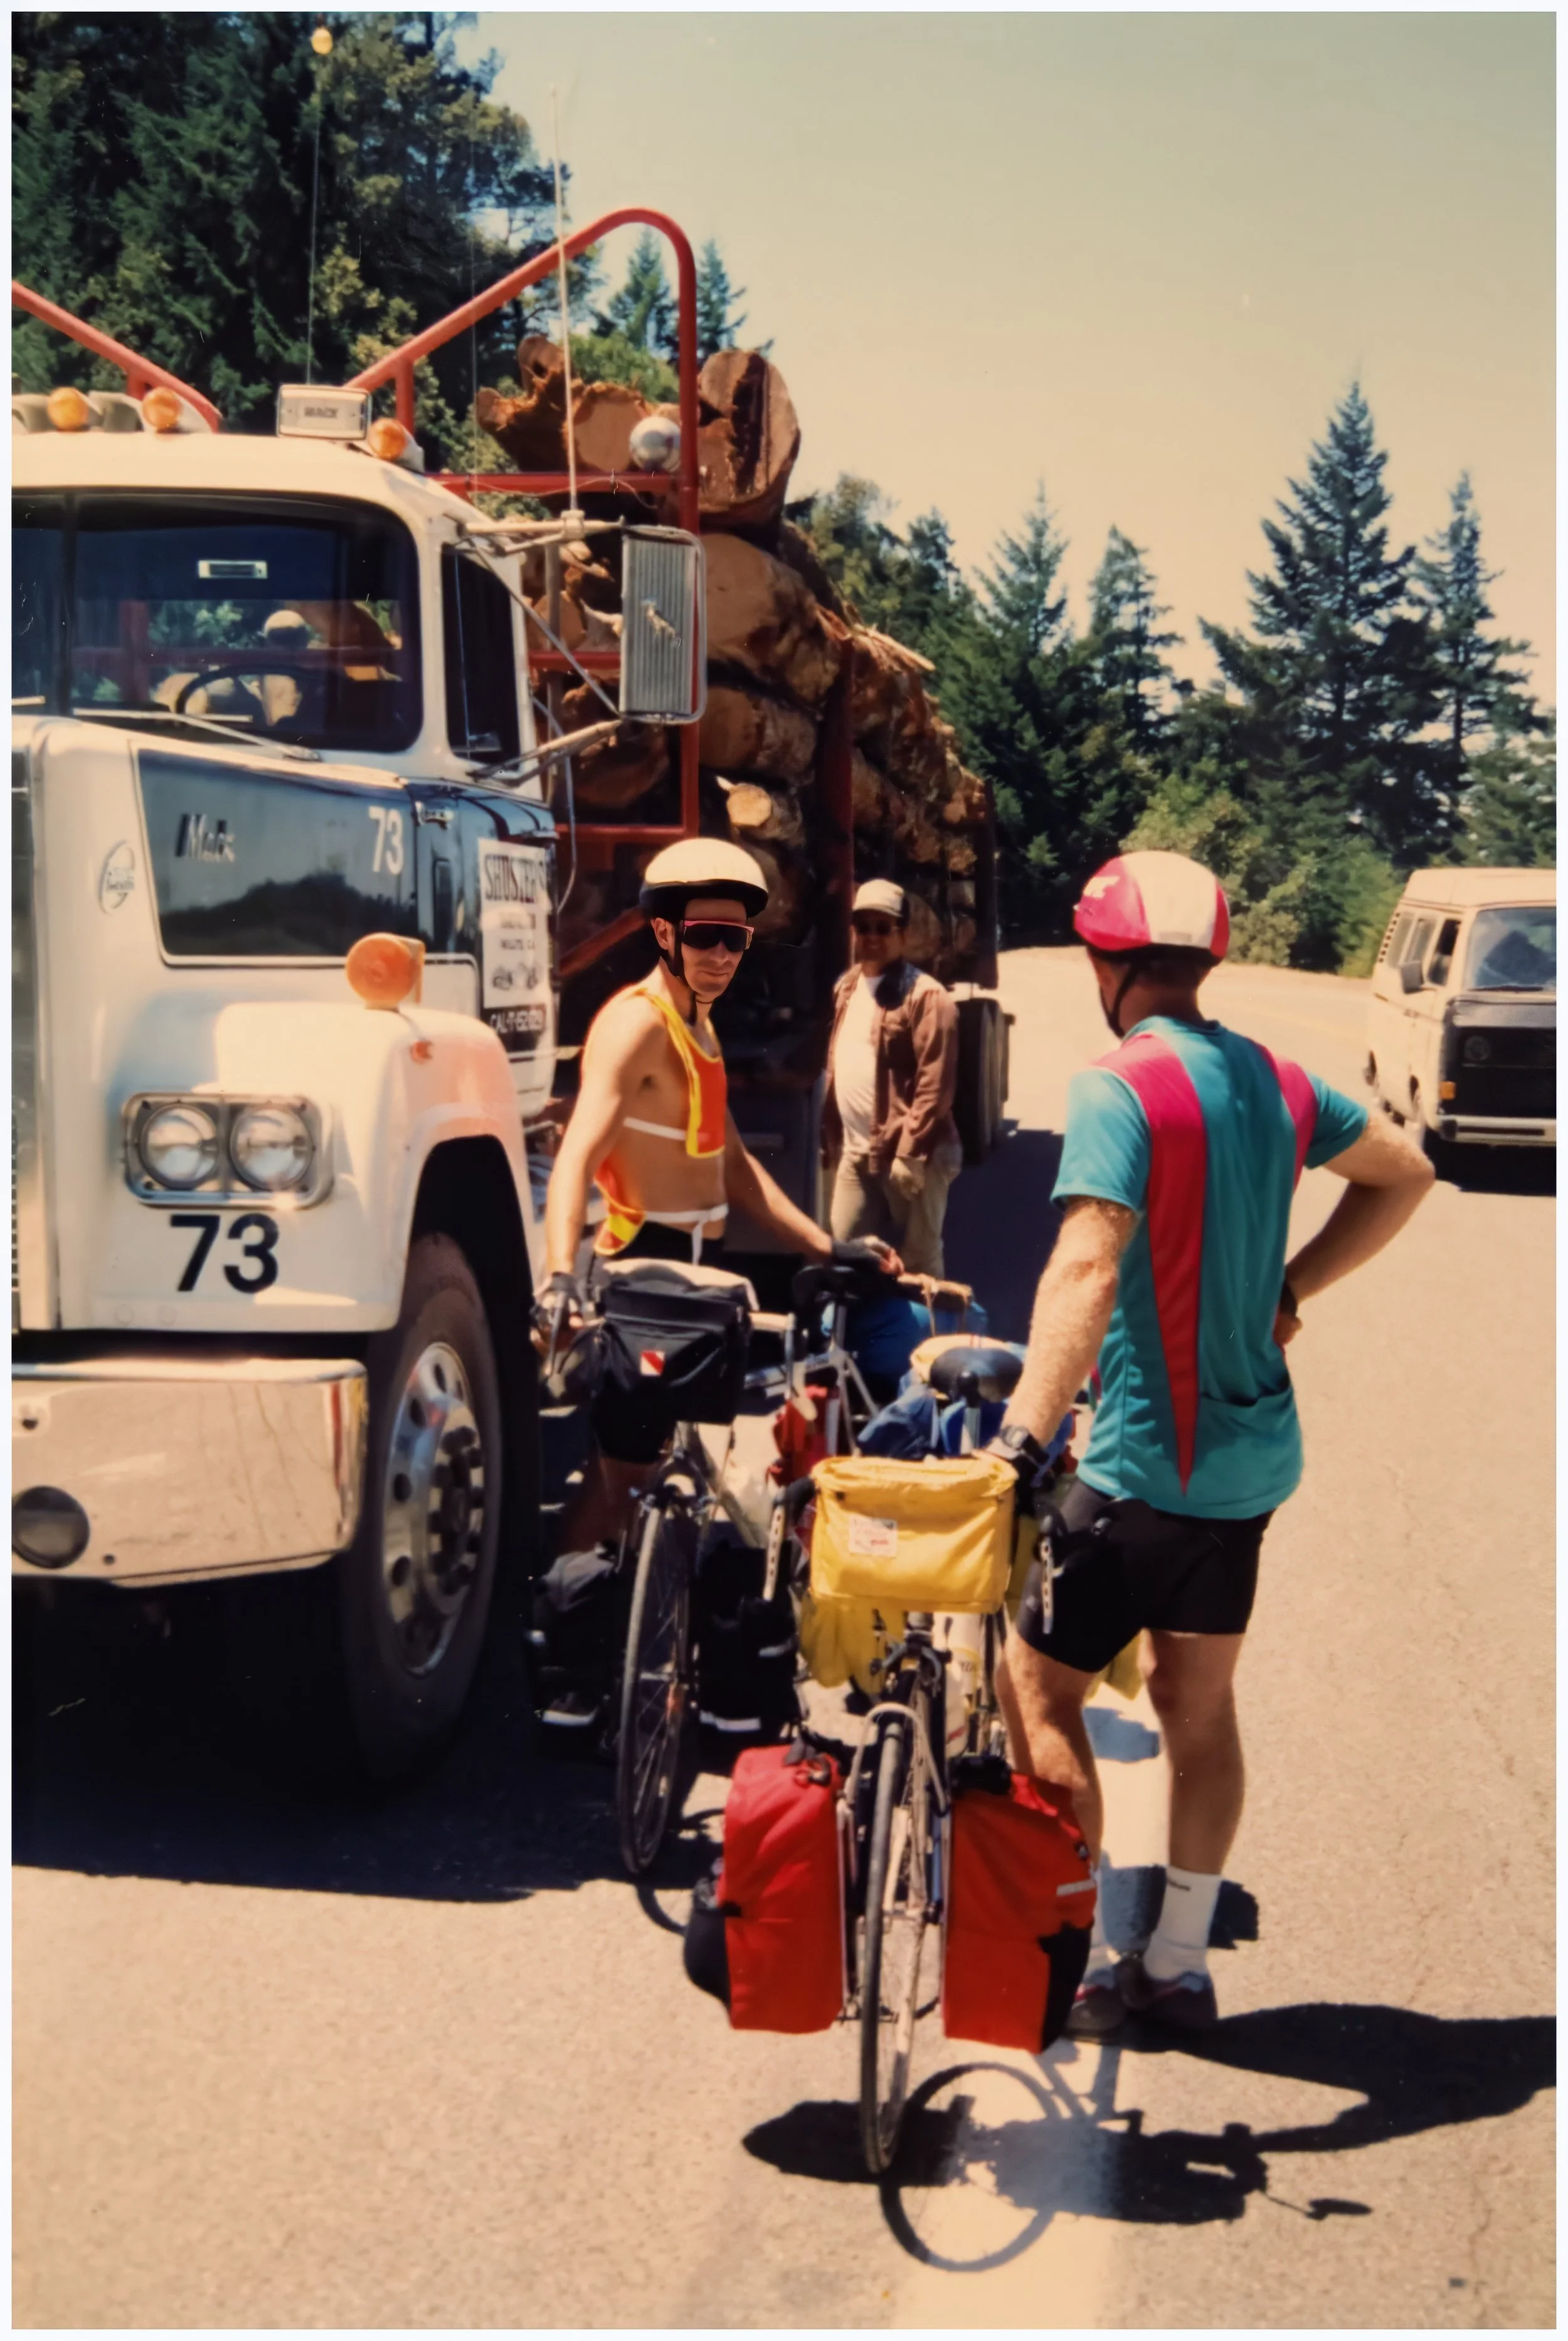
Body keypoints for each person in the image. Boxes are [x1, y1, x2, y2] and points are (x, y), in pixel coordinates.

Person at [988, 849, 1434, 2035]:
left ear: (1105, 963)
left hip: (1139, 1465)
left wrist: (1024, 1436)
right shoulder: (1277, 1081)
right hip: (1245, 1468)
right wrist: (1296, 1288)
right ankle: (1177, 1963)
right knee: (1197, 1697)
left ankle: (1077, 1954)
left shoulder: (1119, 1087)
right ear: (1205, 961)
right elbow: (1407, 1170)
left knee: (1032, 1681)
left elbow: (1085, 1263)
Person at [537, 839, 899, 1551]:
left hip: (701, 1262)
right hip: (650, 1261)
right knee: (624, 1478)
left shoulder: (698, 1024)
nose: (722, 956)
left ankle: (632, 1612)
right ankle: (564, 1633)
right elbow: (578, 1151)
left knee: (665, 1464)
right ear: (664, 933)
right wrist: (556, 1276)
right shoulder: (635, 1023)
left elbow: (733, 1165)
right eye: (705, 938)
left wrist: (829, 1247)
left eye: (735, 941)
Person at [822, 878, 963, 1278]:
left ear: (903, 934)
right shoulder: (847, 987)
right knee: (845, 1254)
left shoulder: (927, 997)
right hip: (857, 1152)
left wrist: (911, 1154)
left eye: (883, 928)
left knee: (918, 1265)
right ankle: (856, 1342)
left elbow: (935, 1084)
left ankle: (928, 1339)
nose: (871, 937)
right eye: (863, 927)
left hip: (911, 1157)